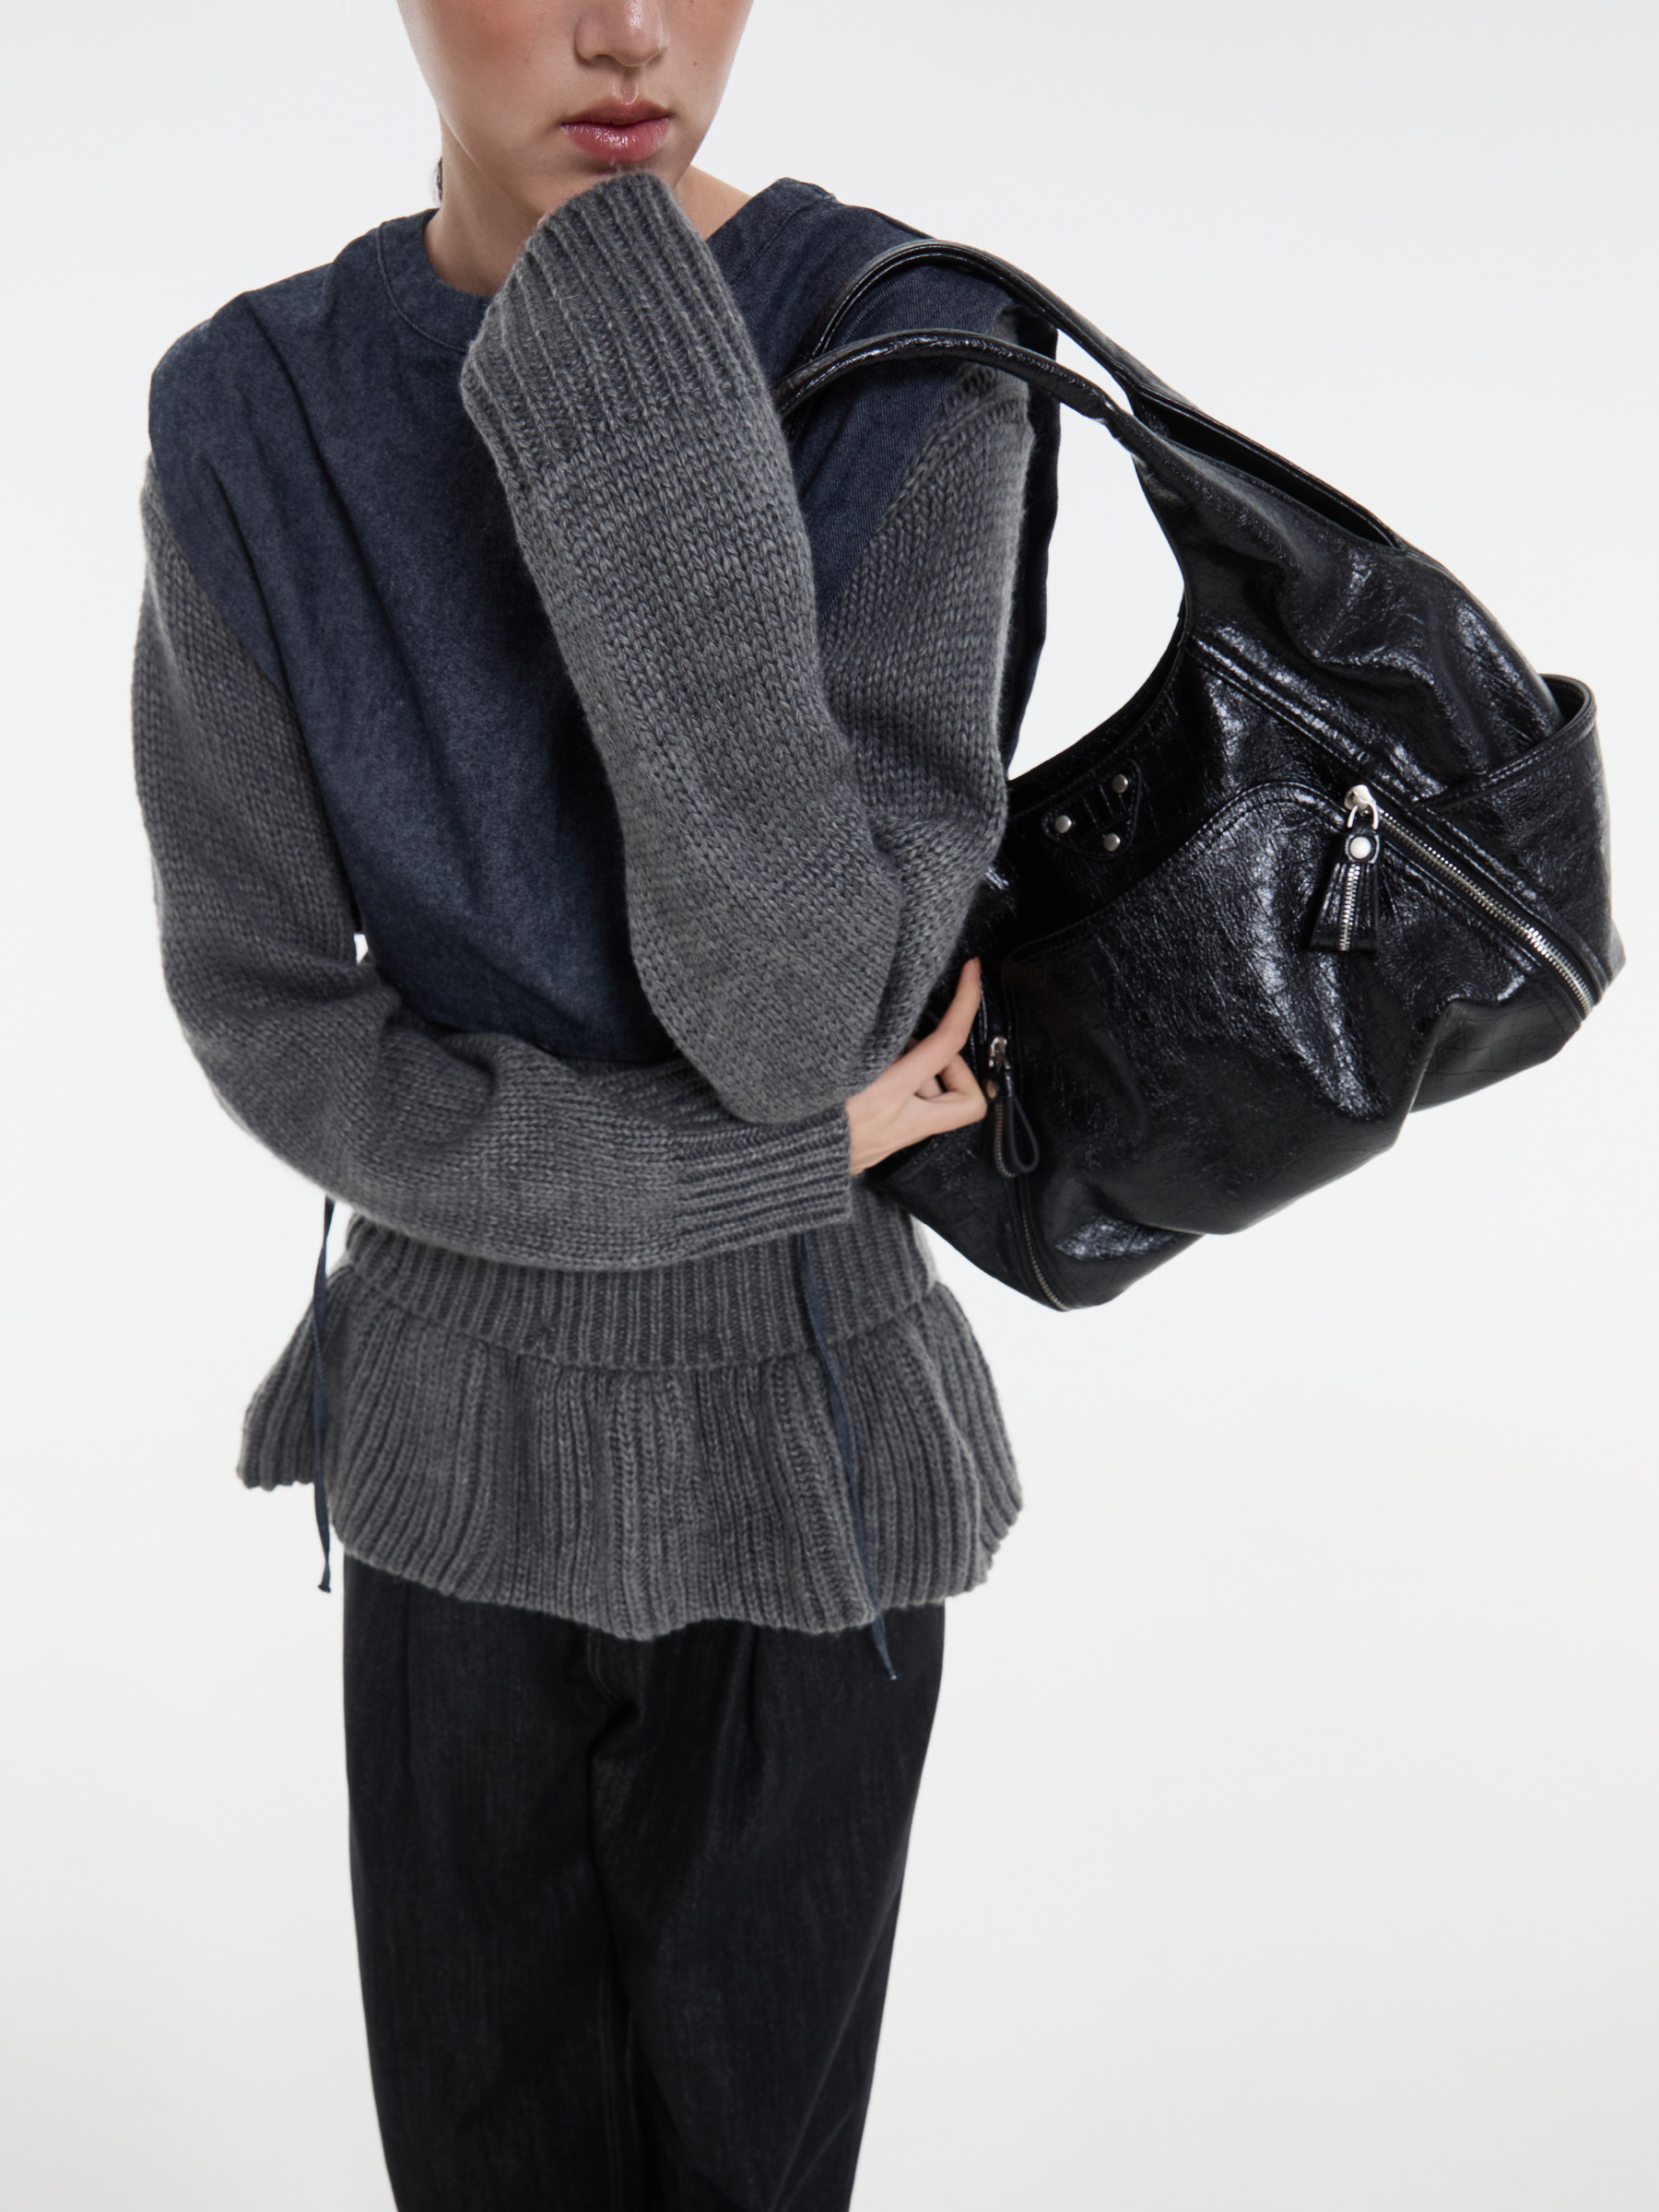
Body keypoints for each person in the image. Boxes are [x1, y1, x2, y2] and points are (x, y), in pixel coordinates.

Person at [133, 1, 1059, 2203]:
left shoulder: (916, 357)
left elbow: (797, 1013)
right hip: (447, 1460)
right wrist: (777, 1167)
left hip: (806, 1461)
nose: (630, 31)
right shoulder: (253, 405)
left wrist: (628, 385)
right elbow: (272, 1012)